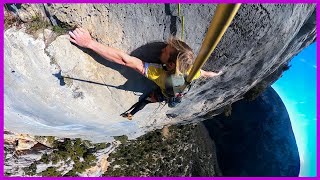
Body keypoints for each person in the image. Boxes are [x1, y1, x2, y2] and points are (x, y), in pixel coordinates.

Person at [69, 27, 222, 120]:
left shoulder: (159, 76)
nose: (162, 49)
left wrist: (89, 43)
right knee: (151, 100)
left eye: (166, 50)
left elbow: (125, 60)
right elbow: (203, 73)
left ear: (169, 65)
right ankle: (143, 110)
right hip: (175, 92)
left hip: (165, 93)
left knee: (146, 100)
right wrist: (214, 74)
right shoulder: (190, 70)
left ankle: (134, 113)